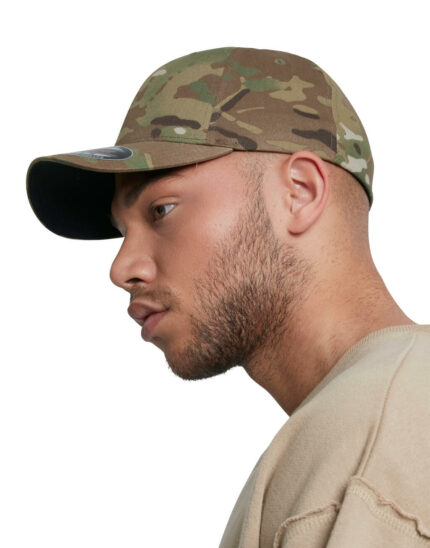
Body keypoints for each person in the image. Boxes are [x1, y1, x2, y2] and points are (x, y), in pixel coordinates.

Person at [26, 47, 430, 547]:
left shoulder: (379, 436)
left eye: (161, 210)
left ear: (299, 193)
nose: (122, 268)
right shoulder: (357, 431)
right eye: (122, 230)